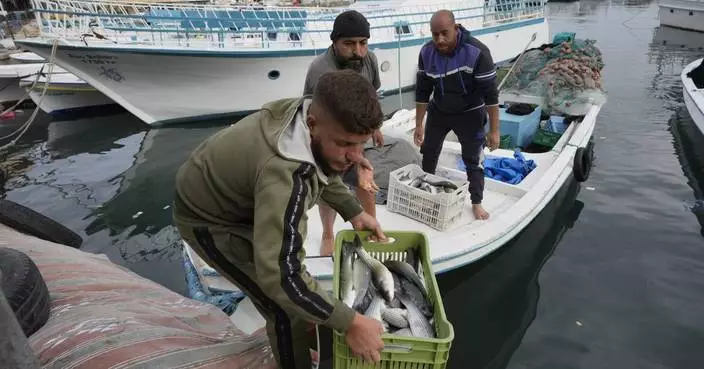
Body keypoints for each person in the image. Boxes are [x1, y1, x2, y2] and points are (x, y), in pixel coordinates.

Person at [172, 70, 388, 368]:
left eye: (360, 143)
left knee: (296, 296)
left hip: (239, 194)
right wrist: (350, 322)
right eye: (345, 143)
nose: (354, 156)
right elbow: (281, 276)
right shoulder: (285, 177)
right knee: (285, 309)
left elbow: (326, 165)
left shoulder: (309, 115)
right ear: (312, 125)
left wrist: (354, 211)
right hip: (207, 217)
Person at [303, 9, 385, 256]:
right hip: (331, 135)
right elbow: (312, 117)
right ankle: (328, 233)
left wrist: (376, 128)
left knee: (366, 180)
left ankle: (370, 226)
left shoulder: (368, 59)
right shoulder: (320, 69)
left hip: (360, 131)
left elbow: (373, 95)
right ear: (334, 42)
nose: (358, 51)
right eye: (349, 44)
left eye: (363, 43)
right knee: (329, 183)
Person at [413, 9, 501, 220]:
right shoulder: (426, 52)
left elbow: (491, 96)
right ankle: (427, 189)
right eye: (435, 34)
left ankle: (476, 202)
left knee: (473, 159)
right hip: (440, 110)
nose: (440, 39)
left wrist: (495, 131)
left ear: (456, 27)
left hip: (469, 112)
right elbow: (423, 92)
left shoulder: (478, 52)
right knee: (429, 151)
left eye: (445, 33)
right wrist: (418, 125)